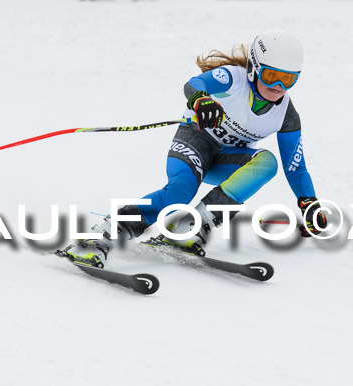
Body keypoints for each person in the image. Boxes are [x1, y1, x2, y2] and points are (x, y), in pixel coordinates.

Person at [65, 30, 327, 267]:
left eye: (288, 80)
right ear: (254, 68)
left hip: (226, 159)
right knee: (180, 193)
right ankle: (98, 236)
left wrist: (309, 202)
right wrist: (200, 100)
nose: (278, 87)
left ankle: (191, 227)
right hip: (195, 142)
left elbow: (296, 167)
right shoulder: (233, 79)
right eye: (271, 76)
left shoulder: (286, 114)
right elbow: (193, 83)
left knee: (267, 162)